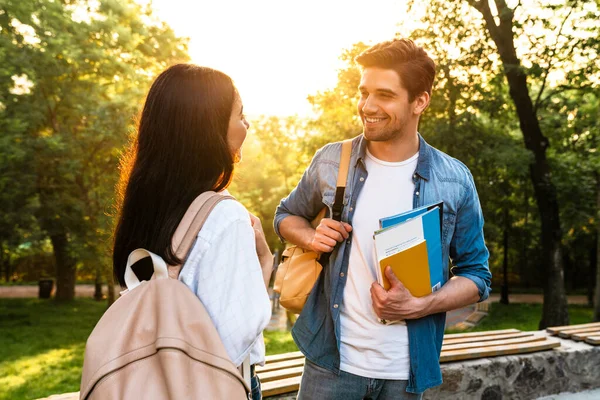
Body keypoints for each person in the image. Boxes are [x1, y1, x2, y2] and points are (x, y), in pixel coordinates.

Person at [274, 39, 492, 399]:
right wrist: (310, 237)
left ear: (420, 101)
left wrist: (420, 306)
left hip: (404, 374)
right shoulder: (331, 161)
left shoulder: (454, 180)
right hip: (330, 366)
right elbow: (286, 216)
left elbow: (476, 274)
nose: (367, 106)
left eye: (384, 95)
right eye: (364, 92)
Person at [112, 64, 272, 400]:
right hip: (210, 386)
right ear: (209, 129)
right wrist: (265, 264)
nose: (248, 124)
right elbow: (236, 334)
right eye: (240, 115)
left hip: (150, 382)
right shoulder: (225, 215)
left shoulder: (147, 205)